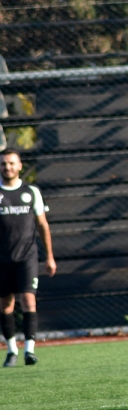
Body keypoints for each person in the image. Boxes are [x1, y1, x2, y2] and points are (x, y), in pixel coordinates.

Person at [0, 149, 56, 367]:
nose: (8, 167)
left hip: (27, 256)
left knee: (28, 299)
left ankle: (29, 350)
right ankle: (12, 350)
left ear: (20, 165)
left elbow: (43, 224)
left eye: (12, 163)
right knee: (5, 303)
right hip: (2, 258)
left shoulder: (31, 191)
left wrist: (49, 256)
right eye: (4, 164)